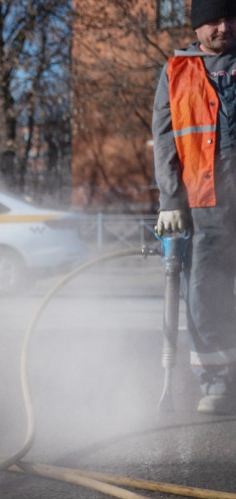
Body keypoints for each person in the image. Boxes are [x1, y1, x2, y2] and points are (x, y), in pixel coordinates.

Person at [152, 0, 236, 414]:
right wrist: (170, 199)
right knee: (206, 293)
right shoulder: (176, 71)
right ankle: (217, 382)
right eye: (214, 20)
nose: (224, 27)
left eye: (231, 18)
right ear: (198, 26)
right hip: (206, 205)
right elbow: (165, 140)